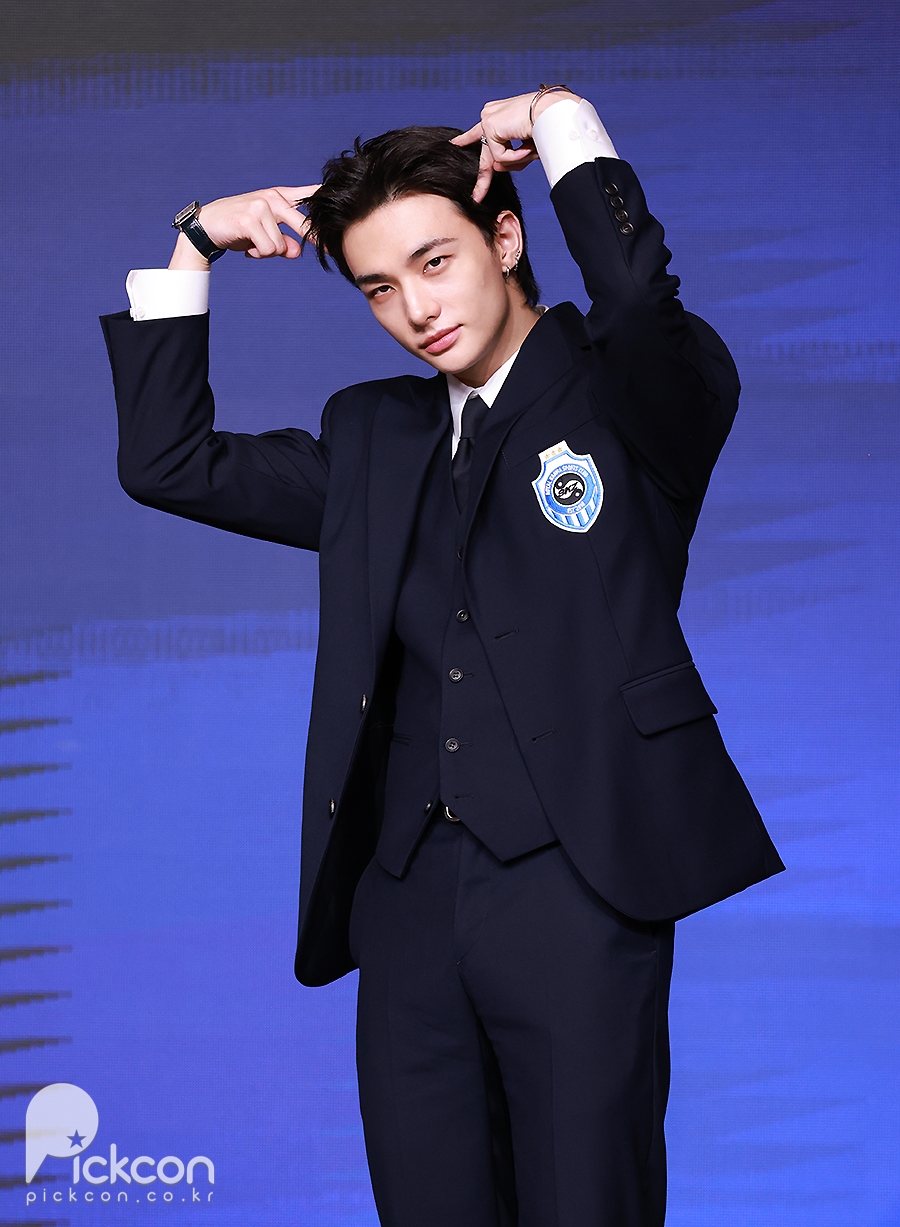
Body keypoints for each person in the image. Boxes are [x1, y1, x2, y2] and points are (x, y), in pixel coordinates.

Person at [101, 86, 784, 1227]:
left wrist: (559, 119)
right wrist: (195, 240)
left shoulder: (637, 390)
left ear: (505, 240)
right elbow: (167, 463)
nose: (415, 309)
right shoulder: (374, 434)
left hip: (582, 884)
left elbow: (630, 295)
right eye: (380, 287)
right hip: (406, 899)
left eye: (434, 262)